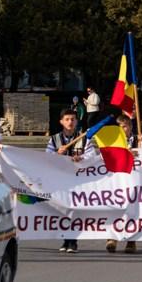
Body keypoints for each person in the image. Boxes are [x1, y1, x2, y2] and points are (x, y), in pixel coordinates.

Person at [47, 108, 94, 253]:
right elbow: (46, 158)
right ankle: (65, 239)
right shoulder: (54, 139)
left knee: (76, 210)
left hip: (79, 181)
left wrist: (82, 158)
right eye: (67, 119)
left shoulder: (85, 138)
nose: (70, 122)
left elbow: (92, 155)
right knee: (63, 210)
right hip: (61, 181)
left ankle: (73, 241)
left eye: (73, 119)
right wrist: (56, 154)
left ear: (77, 121)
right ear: (61, 122)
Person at [106, 116, 139, 254]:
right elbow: (103, 157)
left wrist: (139, 151)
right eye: (119, 127)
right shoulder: (111, 141)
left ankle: (131, 241)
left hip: (136, 179)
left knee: (134, 210)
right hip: (117, 179)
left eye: (125, 126)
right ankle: (112, 238)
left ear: (130, 127)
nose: (122, 129)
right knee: (115, 208)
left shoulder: (140, 140)